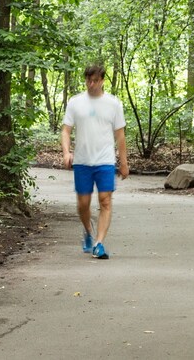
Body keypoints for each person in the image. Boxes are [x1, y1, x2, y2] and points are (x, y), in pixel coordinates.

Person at [61, 63, 129, 259]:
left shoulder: (113, 104)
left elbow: (120, 135)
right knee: (83, 204)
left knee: (105, 201)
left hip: (105, 161)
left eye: (95, 81)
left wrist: (123, 163)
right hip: (82, 161)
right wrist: (66, 152)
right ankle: (88, 231)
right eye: (88, 80)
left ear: (102, 81)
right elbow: (66, 130)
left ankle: (99, 244)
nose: (91, 84)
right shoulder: (75, 102)